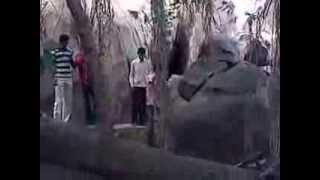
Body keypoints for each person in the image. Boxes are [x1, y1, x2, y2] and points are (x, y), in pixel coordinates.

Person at [51, 34, 75, 122]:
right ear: (62, 42)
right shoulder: (55, 52)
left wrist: (77, 62)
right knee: (58, 100)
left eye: (67, 42)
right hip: (59, 78)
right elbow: (52, 65)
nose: (67, 43)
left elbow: (72, 64)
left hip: (68, 78)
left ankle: (65, 120)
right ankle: (56, 120)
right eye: (66, 42)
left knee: (67, 100)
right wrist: (53, 77)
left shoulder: (69, 52)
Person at [129, 47, 152, 126]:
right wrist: (132, 84)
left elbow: (150, 72)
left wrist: (149, 79)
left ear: (144, 54)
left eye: (142, 54)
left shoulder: (148, 63)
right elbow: (131, 75)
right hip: (136, 86)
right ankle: (134, 120)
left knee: (142, 104)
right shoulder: (134, 63)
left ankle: (142, 121)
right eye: (140, 54)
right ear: (138, 54)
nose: (141, 56)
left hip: (144, 86)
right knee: (135, 104)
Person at [74, 50, 96, 127]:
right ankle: (89, 119)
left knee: (90, 100)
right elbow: (77, 64)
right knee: (88, 101)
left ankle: (91, 118)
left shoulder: (81, 58)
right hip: (85, 82)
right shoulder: (80, 58)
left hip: (87, 82)